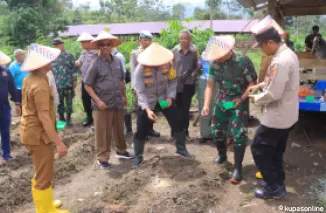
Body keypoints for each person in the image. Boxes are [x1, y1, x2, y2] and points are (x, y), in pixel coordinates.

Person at [249, 26, 299, 199]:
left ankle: (273, 187)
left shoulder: (280, 61)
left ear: (270, 42)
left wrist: (256, 99)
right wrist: (260, 85)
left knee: (259, 149)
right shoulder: (287, 54)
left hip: (277, 116)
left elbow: (274, 93)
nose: (262, 49)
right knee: (276, 151)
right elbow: (275, 82)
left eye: (262, 46)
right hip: (287, 115)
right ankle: (277, 181)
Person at [20, 43, 69, 213]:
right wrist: (59, 143)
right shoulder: (40, 85)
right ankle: (45, 210)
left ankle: (46, 204)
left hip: (31, 131)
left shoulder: (31, 79)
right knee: (44, 174)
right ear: (41, 64)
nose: (52, 62)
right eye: (49, 60)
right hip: (38, 134)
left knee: (42, 170)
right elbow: (44, 117)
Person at [201, 35, 257, 184]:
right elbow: (210, 86)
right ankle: (222, 156)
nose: (216, 59)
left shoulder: (243, 61)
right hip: (222, 101)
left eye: (218, 57)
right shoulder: (214, 65)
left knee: (239, 134)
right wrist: (206, 105)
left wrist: (242, 98)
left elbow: (252, 83)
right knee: (216, 131)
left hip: (239, 101)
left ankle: (238, 168)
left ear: (228, 51)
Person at [132, 43, 194, 168]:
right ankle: (138, 156)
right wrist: (148, 110)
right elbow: (140, 92)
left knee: (177, 120)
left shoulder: (168, 65)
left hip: (163, 99)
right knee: (142, 128)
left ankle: (181, 149)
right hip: (148, 102)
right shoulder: (140, 70)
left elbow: (172, 81)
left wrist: (170, 97)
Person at [84, 31, 134, 169]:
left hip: (117, 101)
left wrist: (124, 97)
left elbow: (121, 80)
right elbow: (87, 85)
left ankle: (121, 151)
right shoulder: (95, 63)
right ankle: (102, 157)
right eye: (102, 45)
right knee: (103, 132)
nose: (105, 47)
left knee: (119, 128)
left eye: (108, 44)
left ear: (112, 46)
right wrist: (98, 101)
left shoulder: (117, 61)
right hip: (102, 105)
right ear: (99, 47)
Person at [130, 31, 160, 138]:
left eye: (149, 40)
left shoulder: (153, 53)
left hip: (152, 85)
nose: (147, 42)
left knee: (152, 107)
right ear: (140, 41)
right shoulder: (135, 53)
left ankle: (150, 129)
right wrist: (134, 86)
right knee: (142, 109)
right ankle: (141, 131)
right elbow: (133, 70)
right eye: (145, 40)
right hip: (141, 86)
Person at [171, 29, 200, 141]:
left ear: (190, 39)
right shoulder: (174, 50)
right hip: (176, 84)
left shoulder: (194, 51)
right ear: (179, 39)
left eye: (186, 38)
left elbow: (197, 65)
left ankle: (185, 132)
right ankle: (173, 133)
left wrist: (193, 73)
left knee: (185, 109)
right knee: (175, 109)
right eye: (182, 38)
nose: (184, 40)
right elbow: (169, 64)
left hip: (188, 84)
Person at [52, 37, 78, 126]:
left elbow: (74, 69)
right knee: (59, 103)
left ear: (62, 44)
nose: (58, 46)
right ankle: (61, 119)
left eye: (59, 44)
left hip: (68, 83)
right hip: (57, 84)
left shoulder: (68, 55)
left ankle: (69, 118)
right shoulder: (51, 56)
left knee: (69, 102)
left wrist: (75, 80)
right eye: (56, 44)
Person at [0, 51, 21, 161]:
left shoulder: (6, 71)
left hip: (4, 106)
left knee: (5, 130)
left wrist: (17, 102)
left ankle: (6, 153)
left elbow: (12, 88)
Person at [75, 32, 97, 127]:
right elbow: (79, 62)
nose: (82, 44)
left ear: (89, 42)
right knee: (85, 99)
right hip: (85, 80)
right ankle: (89, 118)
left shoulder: (96, 52)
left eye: (83, 42)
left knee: (96, 99)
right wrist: (76, 62)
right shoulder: (83, 52)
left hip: (95, 81)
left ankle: (97, 119)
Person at [111, 47, 133, 137]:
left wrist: (123, 90)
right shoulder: (104, 57)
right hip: (109, 87)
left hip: (118, 86)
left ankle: (128, 129)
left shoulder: (118, 57)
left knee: (123, 107)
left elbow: (123, 74)